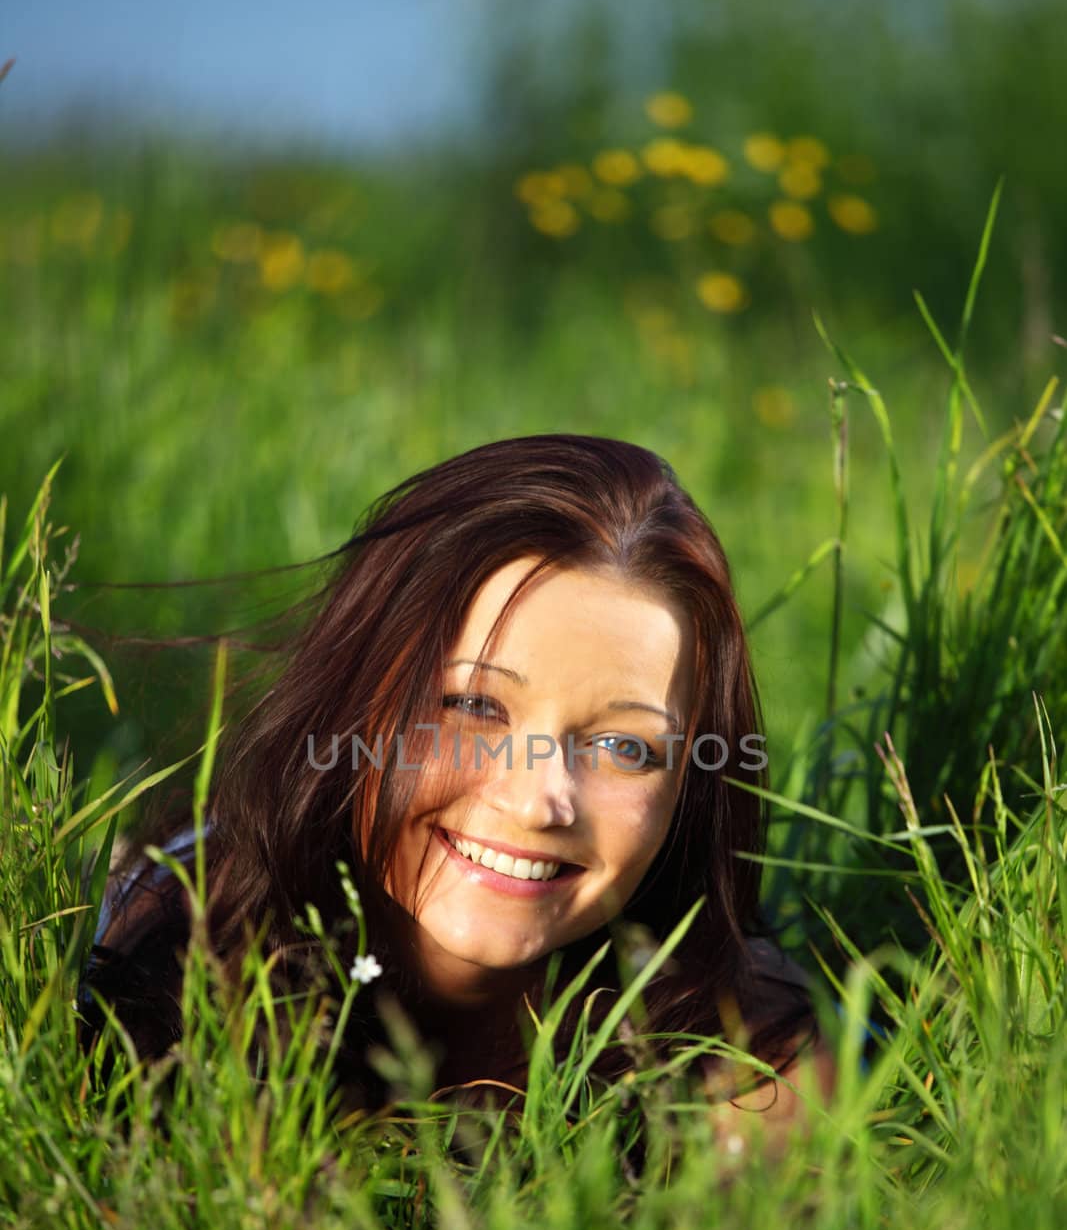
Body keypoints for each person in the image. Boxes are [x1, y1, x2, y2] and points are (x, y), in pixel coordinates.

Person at [76, 434, 839, 1156]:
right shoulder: (168, 969)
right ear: (352, 703)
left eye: (623, 747)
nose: (542, 801)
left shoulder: (734, 1041)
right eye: (473, 707)